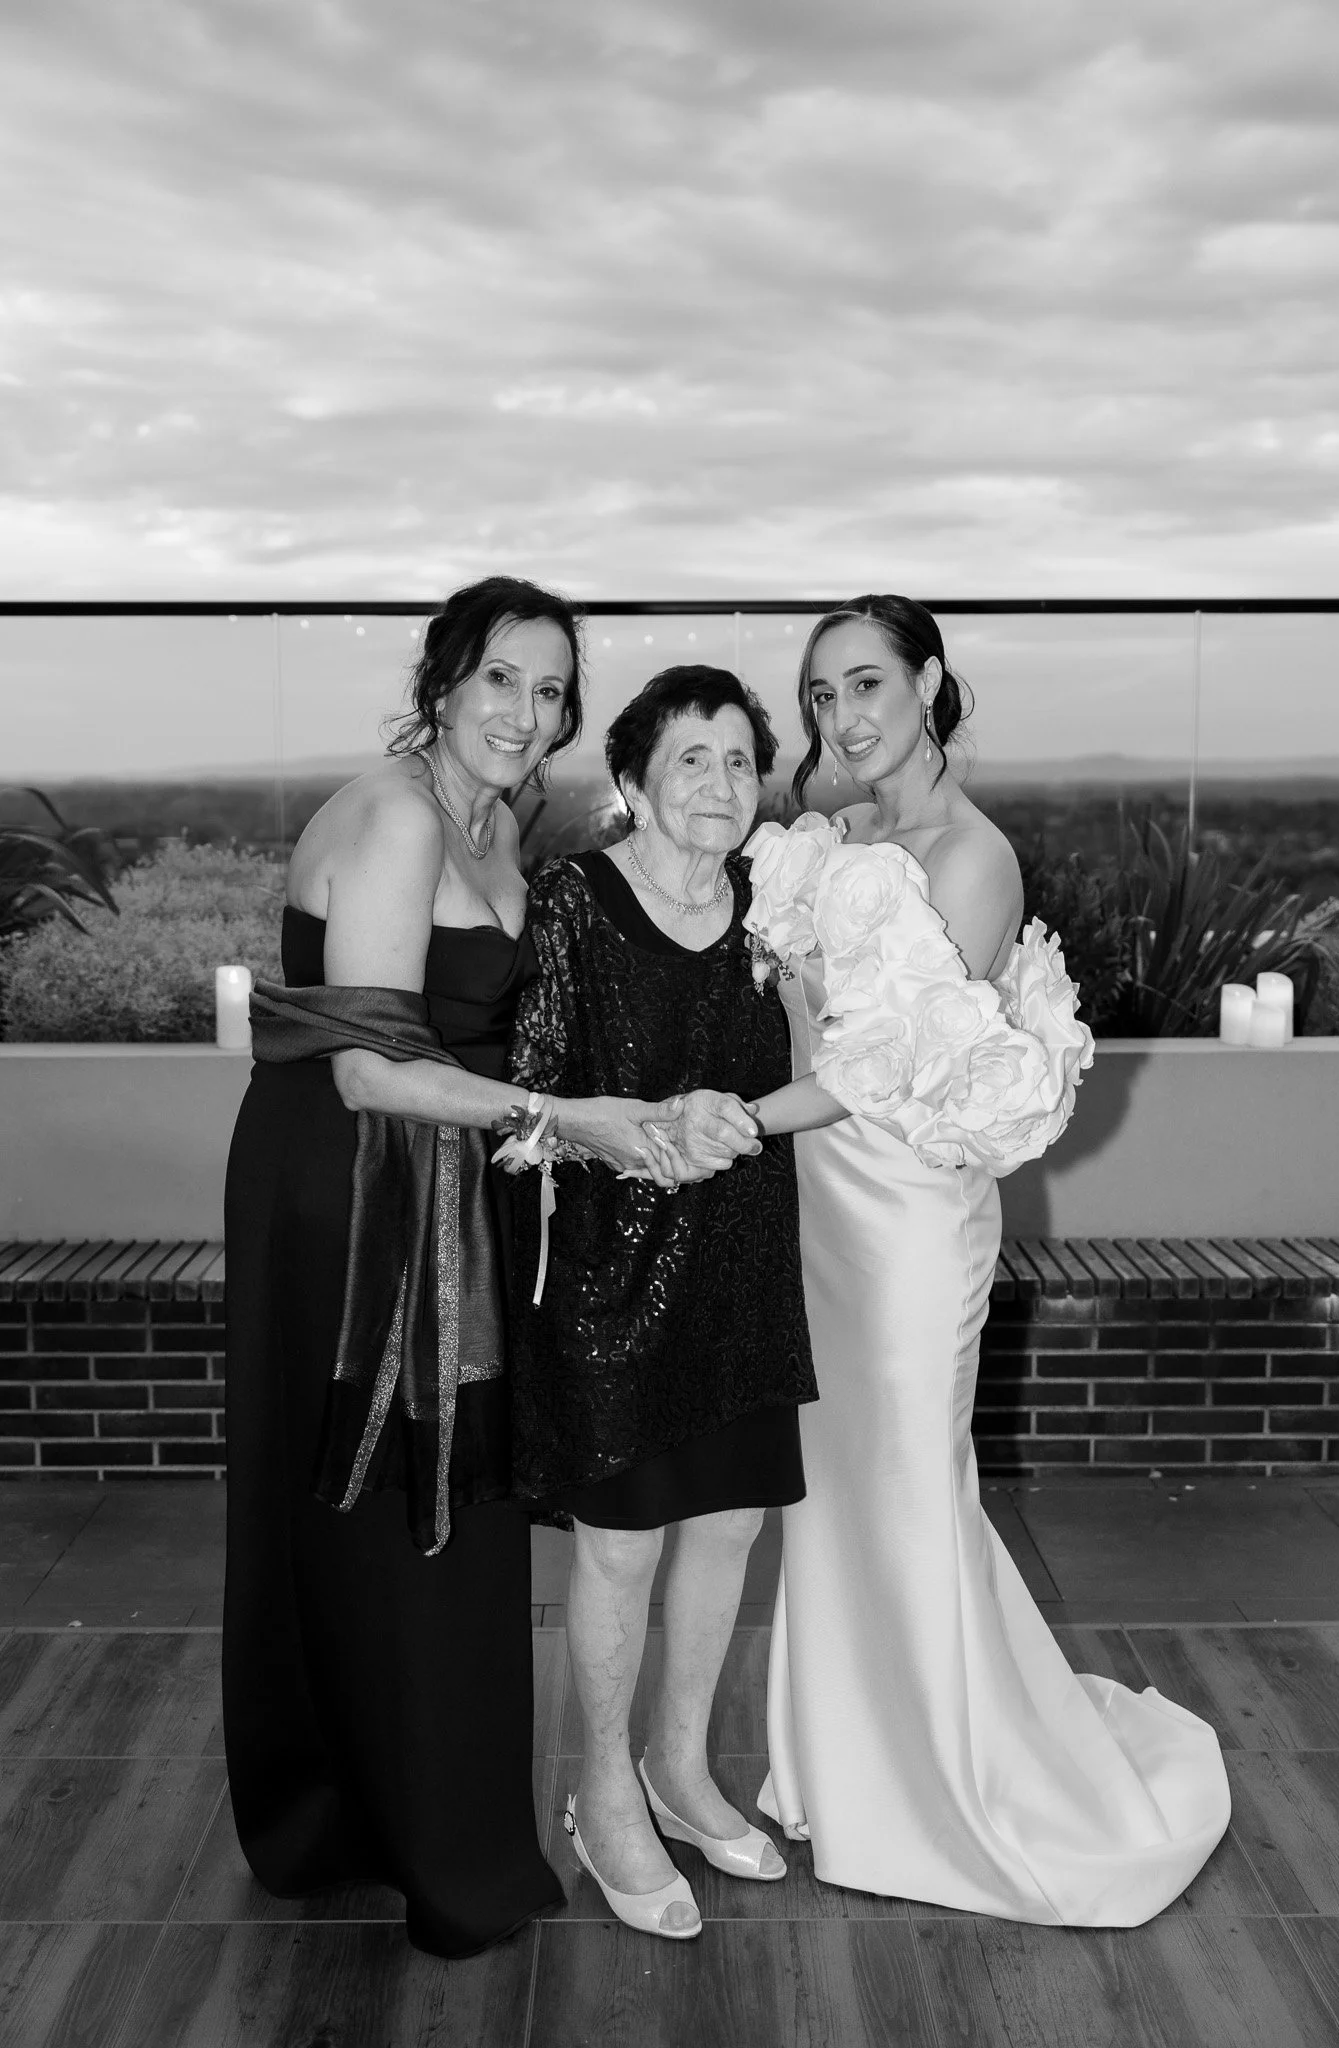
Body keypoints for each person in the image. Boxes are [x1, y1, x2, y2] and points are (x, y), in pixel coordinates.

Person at [736, 593, 1231, 1926]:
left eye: (865, 683)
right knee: (830, 1494)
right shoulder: (839, 836)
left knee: (907, 1486)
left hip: (905, 1218)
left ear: (928, 681)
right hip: (818, 1209)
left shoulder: (972, 856)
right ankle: (843, 1770)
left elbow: (883, 1068)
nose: (842, 715)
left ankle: (946, 1793)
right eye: (822, 693)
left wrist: (733, 1118)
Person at [223, 575, 694, 1958]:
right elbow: (369, 1071)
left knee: (429, 1509)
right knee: (390, 1505)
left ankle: (384, 1816)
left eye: (551, 691)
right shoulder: (398, 817)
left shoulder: (496, 819)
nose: (526, 713)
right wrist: (573, 1120)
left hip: (445, 1184)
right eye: (501, 678)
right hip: (352, 1193)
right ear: (440, 683)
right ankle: (412, 1838)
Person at [506, 665, 818, 1939]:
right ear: (631, 781)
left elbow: (840, 1063)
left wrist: (748, 1114)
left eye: (741, 759)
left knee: (730, 1523)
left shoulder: (775, 904)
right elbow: (528, 1100)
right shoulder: (574, 899)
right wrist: (644, 1130)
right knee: (623, 1542)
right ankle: (603, 1787)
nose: (721, 782)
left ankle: (681, 1767)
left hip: (741, 1266)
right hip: (611, 1273)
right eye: (693, 756)